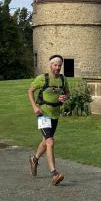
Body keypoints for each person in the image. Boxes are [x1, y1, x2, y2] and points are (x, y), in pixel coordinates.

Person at [27, 54, 71, 186]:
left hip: (55, 114)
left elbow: (68, 93)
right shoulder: (43, 78)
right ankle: (54, 174)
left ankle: (34, 160)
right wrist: (35, 106)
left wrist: (65, 97)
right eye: (55, 65)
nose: (57, 67)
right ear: (50, 65)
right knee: (50, 142)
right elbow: (30, 91)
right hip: (43, 114)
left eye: (59, 65)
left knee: (45, 142)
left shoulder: (63, 79)